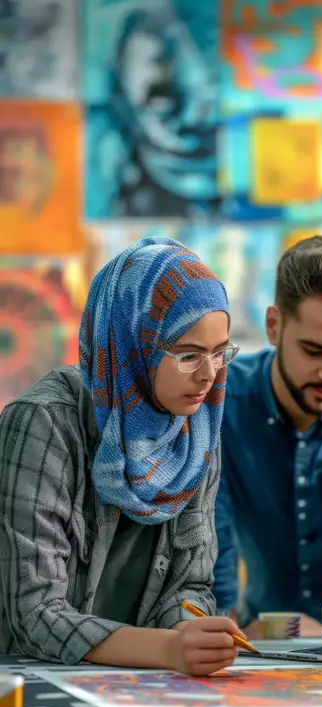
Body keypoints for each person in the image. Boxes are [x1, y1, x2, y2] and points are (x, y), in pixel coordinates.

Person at [0, 237, 244, 675]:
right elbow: (33, 613)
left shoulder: (198, 427)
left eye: (220, 352)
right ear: (134, 343)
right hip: (34, 682)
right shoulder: (43, 422)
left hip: (140, 685)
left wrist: (193, 632)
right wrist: (169, 650)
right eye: (188, 355)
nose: (210, 375)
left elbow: (190, 585)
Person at [213, 235, 322, 636]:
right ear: (274, 326)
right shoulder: (221, 401)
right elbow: (211, 541)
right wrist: (225, 634)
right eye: (314, 350)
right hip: (253, 632)